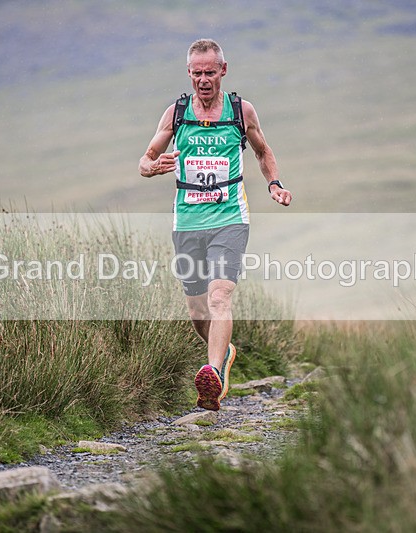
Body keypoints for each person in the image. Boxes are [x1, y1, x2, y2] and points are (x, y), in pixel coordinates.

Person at [139, 38, 292, 411]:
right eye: (197, 73)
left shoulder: (241, 111)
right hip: (187, 221)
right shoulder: (176, 113)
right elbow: (146, 158)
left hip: (230, 219)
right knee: (197, 312)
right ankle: (224, 354)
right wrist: (151, 167)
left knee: (219, 296)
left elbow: (262, 151)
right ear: (188, 74)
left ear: (224, 70)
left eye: (210, 72)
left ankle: (213, 376)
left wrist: (274, 183)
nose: (203, 80)